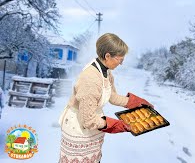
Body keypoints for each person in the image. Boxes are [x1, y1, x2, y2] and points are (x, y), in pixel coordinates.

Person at [58, 33, 153, 163]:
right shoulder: (90, 79)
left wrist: (136, 103)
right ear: (107, 56)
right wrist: (117, 125)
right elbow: (88, 120)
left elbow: (112, 96)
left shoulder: (105, 71)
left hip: (94, 122)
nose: (121, 63)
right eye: (120, 60)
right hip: (79, 126)